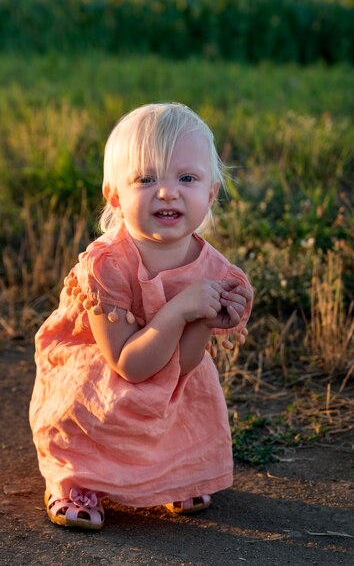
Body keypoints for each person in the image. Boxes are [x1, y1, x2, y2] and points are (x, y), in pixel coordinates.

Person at [29, 102, 253, 530]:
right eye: (146, 179)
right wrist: (183, 308)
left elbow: (180, 366)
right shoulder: (107, 264)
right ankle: (76, 480)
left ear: (210, 193)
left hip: (164, 373)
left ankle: (169, 474)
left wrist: (206, 318)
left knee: (191, 391)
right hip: (106, 369)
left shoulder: (215, 272)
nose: (167, 192)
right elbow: (130, 366)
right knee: (95, 404)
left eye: (186, 178)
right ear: (114, 194)